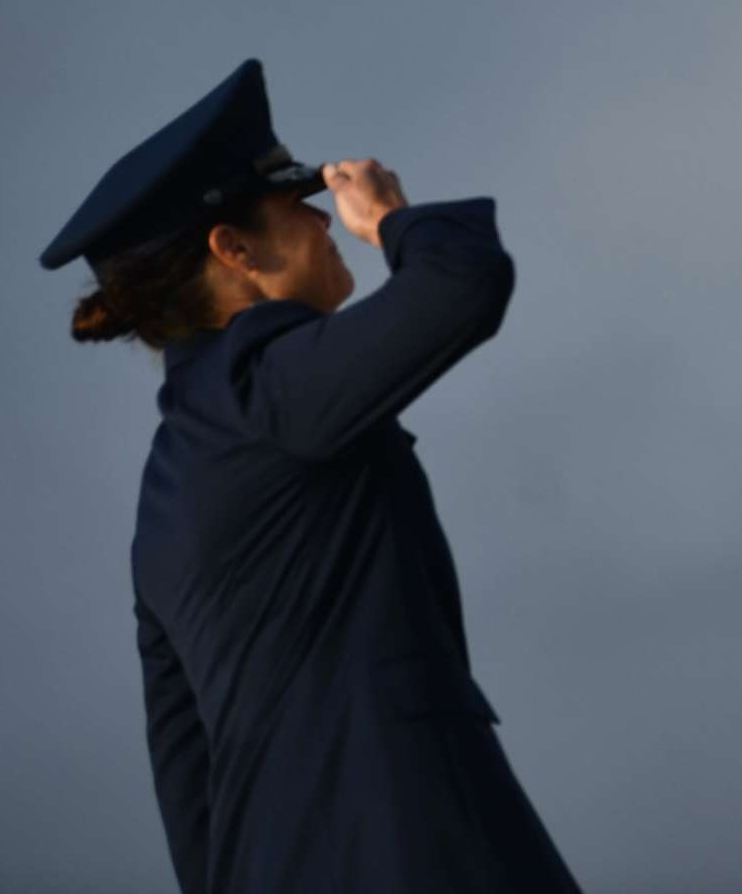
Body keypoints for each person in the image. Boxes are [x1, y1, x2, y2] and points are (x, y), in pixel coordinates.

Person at [42, 59, 578, 894]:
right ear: (232, 247)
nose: (329, 223)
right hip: (419, 852)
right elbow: (463, 284)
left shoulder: (166, 493)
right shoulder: (263, 386)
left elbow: (191, 790)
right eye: (302, 206)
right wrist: (393, 219)